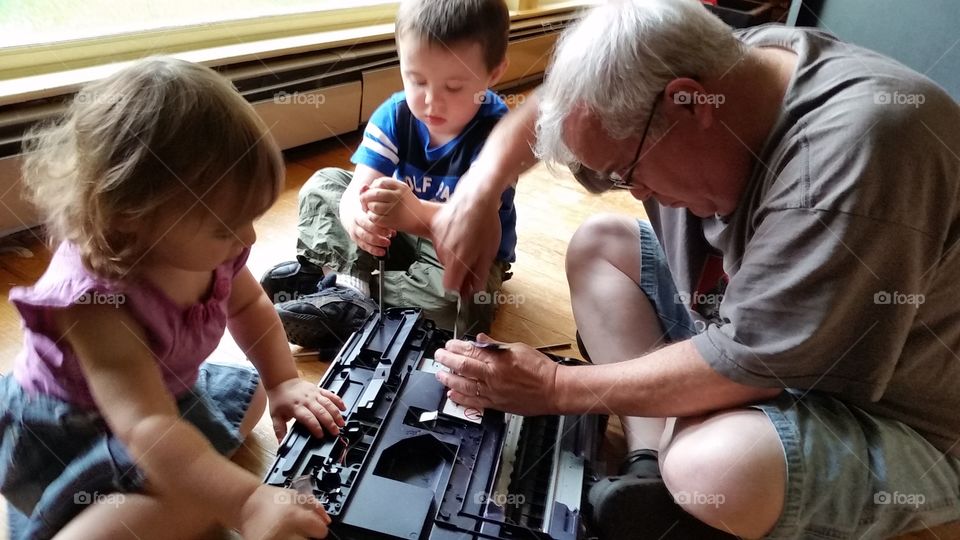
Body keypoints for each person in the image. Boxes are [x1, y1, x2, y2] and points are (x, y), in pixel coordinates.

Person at [432, 0, 960, 538]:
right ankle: (646, 467)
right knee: (599, 244)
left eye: (626, 172)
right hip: (758, 328)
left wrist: (554, 387)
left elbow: (751, 364)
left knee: (717, 468)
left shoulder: (854, 153)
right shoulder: (729, 63)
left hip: (899, 415)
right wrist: (480, 190)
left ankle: (682, 468)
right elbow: (559, 103)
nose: (636, 192)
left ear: (686, 103)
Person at [0, 57, 345, 540]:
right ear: (131, 215)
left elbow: (248, 307)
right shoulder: (96, 304)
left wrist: (283, 380)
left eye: (250, 218)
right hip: (81, 429)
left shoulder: (212, 250)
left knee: (251, 395)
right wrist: (245, 501)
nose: (247, 237)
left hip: (164, 393)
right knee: (190, 507)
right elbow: (145, 425)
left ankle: (188, 475)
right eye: (226, 227)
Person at [259, 0, 518, 350]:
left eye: (454, 87)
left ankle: (335, 284)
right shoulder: (395, 115)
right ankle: (348, 289)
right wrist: (356, 216)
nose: (431, 101)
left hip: (460, 249)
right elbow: (357, 189)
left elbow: (474, 225)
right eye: (416, 80)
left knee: (461, 299)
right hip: (394, 235)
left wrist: (415, 212)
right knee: (324, 184)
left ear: (494, 73)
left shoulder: (499, 136)